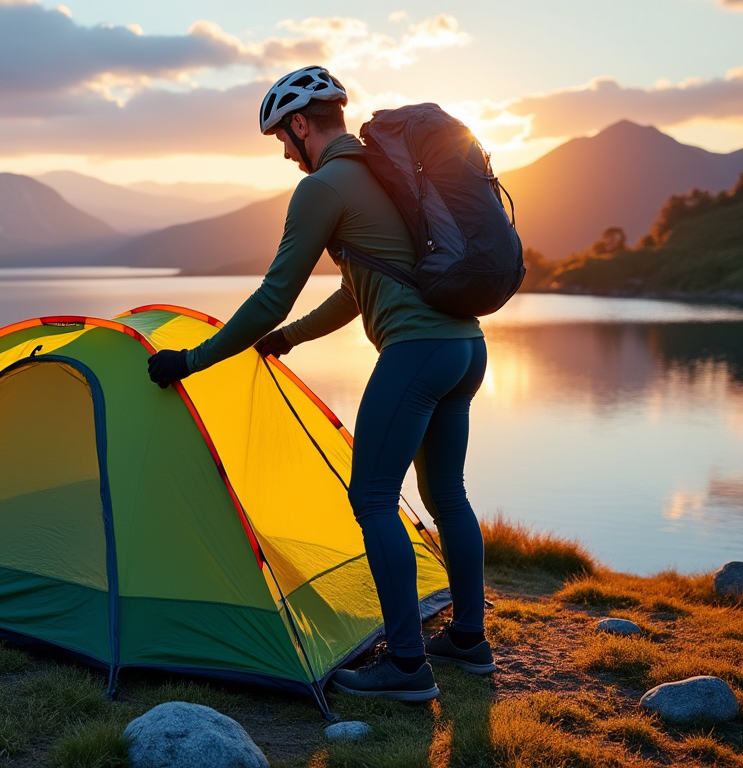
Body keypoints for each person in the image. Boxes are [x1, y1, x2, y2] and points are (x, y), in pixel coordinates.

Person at [145, 65, 494, 701]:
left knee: (372, 498)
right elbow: (360, 288)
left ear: (302, 124)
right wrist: (291, 340)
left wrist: (192, 360)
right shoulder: (386, 175)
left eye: (282, 137)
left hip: (417, 354)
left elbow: (270, 296)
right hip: (467, 350)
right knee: (446, 492)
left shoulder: (325, 187)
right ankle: (469, 641)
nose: (284, 153)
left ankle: (407, 668)